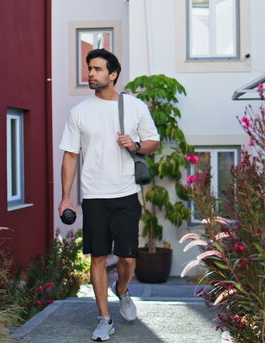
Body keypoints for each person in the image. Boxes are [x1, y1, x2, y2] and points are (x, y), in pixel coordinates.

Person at [58, 49, 159, 342]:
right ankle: (104, 318)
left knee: (128, 258)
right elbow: (70, 156)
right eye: (90, 68)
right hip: (94, 195)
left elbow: (154, 142)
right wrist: (66, 197)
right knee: (98, 257)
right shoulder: (79, 112)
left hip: (126, 191)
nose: (91, 73)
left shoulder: (135, 106)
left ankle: (123, 290)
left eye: (98, 69)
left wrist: (136, 144)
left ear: (112, 74)